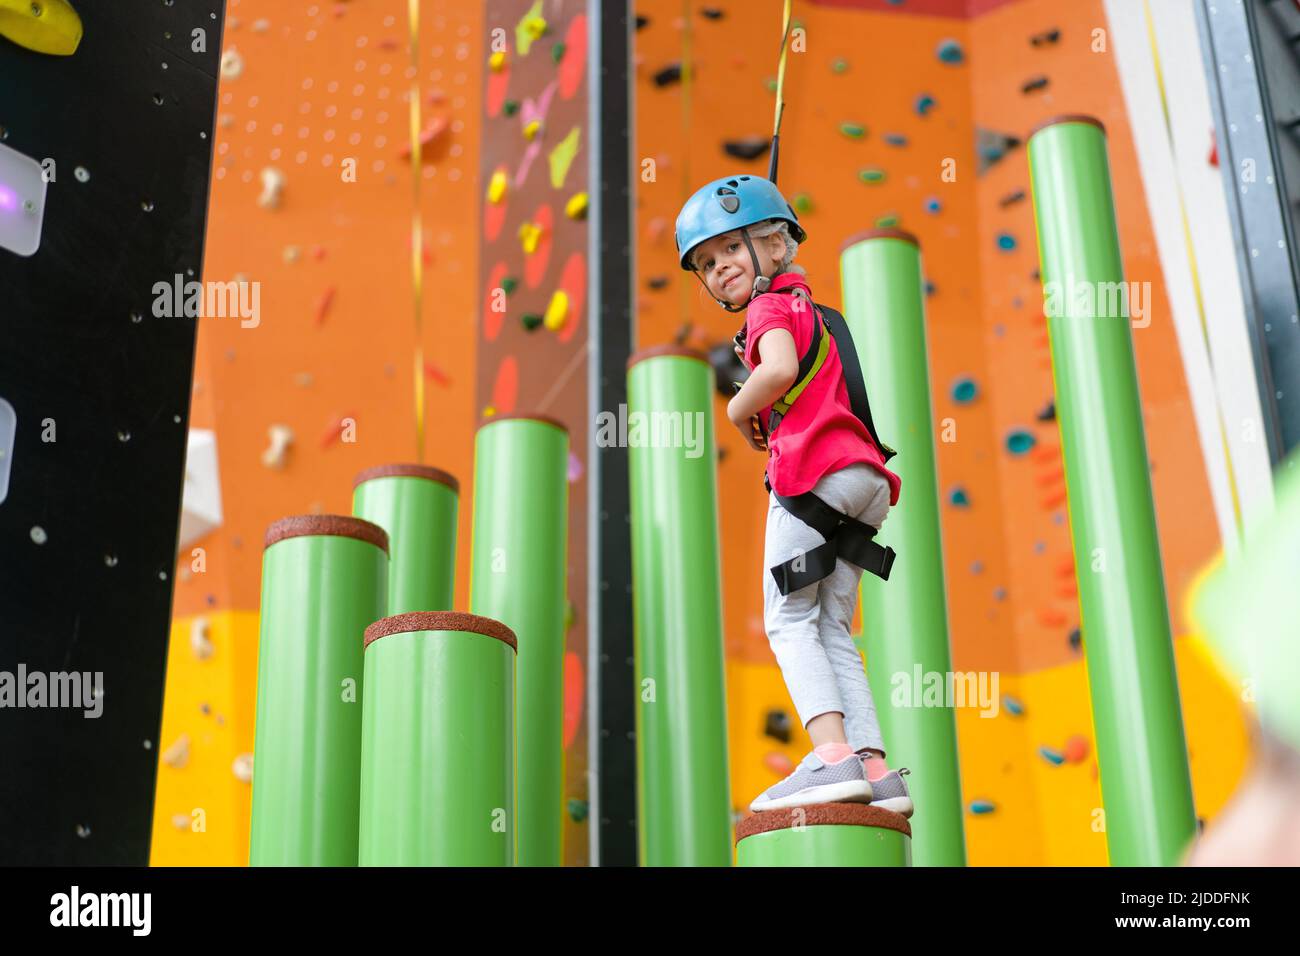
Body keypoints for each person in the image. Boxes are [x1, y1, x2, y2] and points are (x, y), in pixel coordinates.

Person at [675, 174, 913, 816]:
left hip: (814, 484)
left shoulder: (767, 312)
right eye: (706, 262)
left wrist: (736, 409)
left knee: (788, 619)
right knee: (830, 622)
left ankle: (830, 759)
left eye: (733, 249)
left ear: (777, 247)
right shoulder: (818, 312)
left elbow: (777, 369)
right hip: (862, 485)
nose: (719, 267)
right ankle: (873, 767)